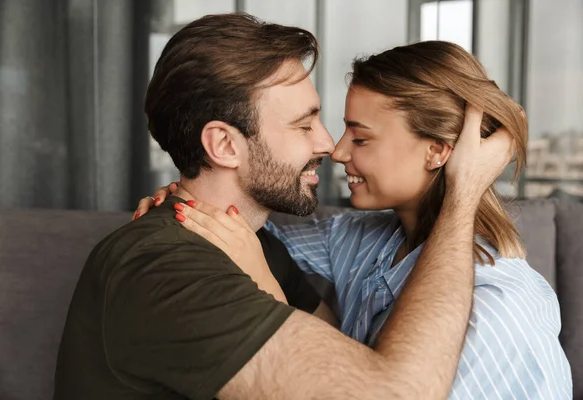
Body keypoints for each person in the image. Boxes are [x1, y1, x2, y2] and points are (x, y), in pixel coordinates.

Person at [55, 14, 515, 400]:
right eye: (303, 124)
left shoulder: (254, 245)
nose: (327, 144)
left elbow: (337, 356)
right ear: (223, 145)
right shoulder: (164, 269)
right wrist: (462, 196)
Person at [143, 40, 572, 399]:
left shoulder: (498, 309)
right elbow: (242, 226)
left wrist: (265, 285)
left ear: (438, 151)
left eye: (361, 137)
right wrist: (196, 196)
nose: (338, 151)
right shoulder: (362, 241)